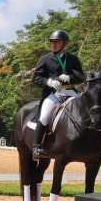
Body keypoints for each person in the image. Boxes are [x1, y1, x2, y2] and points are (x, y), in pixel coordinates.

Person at [31, 29, 85, 160]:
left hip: (69, 90)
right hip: (53, 93)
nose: (53, 44)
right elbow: (36, 78)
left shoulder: (72, 59)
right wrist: (48, 82)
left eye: (57, 42)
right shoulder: (45, 59)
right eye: (52, 42)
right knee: (44, 116)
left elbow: (81, 77)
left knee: (86, 109)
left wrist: (69, 78)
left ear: (65, 43)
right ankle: (36, 147)